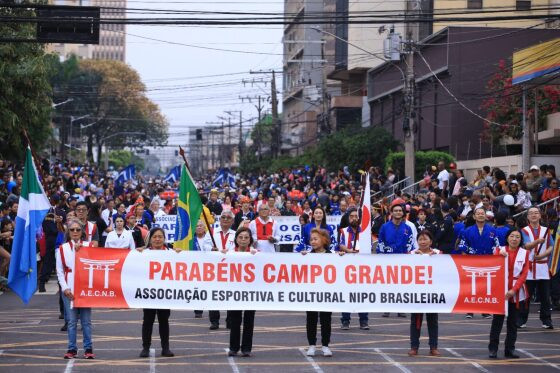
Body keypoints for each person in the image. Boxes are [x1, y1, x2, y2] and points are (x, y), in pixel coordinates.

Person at [55, 219, 95, 359]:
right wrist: (65, 288)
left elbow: (93, 265)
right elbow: (59, 271)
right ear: (68, 232)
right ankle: (72, 348)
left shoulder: (88, 245)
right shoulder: (62, 248)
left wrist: (82, 250)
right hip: (69, 286)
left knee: (86, 321)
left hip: (84, 287)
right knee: (71, 321)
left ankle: (88, 348)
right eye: (72, 230)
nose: (75, 232)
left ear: (82, 231)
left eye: (78, 229)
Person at [488, 228, 530, 359]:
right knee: (497, 322)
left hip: (516, 293)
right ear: (507, 238)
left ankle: (509, 349)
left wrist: (514, 290)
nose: (514, 239)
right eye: (512, 236)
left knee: (513, 323)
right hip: (500, 291)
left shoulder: (525, 253)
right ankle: (493, 349)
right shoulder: (499, 250)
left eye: (517, 237)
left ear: (520, 240)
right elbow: (491, 267)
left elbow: (524, 274)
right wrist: (498, 255)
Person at [302, 228, 344, 357]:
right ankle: (312, 345)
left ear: (324, 240)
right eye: (311, 239)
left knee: (326, 320)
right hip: (311, 293)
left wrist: (342, 257)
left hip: (326, 293)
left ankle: (325, 345)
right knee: (311, 319)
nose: (312, 242)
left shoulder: (332, 255)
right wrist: (301, 257)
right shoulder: (307, 255)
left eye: (316, 239)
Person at [139, 227, 175, 358]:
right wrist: (137, 253)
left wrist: (180, 254)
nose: (158, 239)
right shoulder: (143, 253)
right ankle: (145, 347)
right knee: (147, 320)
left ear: (164, 239)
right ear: (150, 239)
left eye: (160, 237)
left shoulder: (172, 252)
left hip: (165, 293)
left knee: (164, 320)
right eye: (155, 237)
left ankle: (165, 347)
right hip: (149, 292)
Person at [458, 207, 500, 319]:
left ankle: (485, 310)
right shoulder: (467, 231)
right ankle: (469, 310)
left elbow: (497, 247)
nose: (481, 215)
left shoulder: (492, 230)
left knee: (485, 287)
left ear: (486, 216)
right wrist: (467, 256)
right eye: (478, 213)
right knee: (470, 287)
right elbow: (462, 246)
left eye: (482, 213)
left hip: (488, 262)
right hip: (472, 261)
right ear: (474, 216)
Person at [517, 207, 554, 329]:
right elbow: (526, 246)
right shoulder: (524, 231)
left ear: (540, 216)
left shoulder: (546, 230)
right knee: (526, 296)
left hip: (542, 267)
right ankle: (522, 319)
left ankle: (546, 320)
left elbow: (550, 246)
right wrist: (537, 242)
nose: (533, 215)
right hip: (529, 268)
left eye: (536, 213)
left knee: (545, 296)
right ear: (527, 217)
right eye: (531, 213)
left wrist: (542, 255)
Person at [225, 228, 258, 357]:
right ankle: (233, 347)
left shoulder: (256, 254)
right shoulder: (230, 253)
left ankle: (246, 348)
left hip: (252, 292)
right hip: (235, 292)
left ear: (250, 240)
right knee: (235, 320)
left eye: (246, 237)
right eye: (241, 237)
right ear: (236, 239)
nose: (243, 240)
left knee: (249, 320)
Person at [408, 230, 441, 357]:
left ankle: (433, 347)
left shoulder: (438, 253)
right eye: (420, 239)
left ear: (431, 241)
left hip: (433, 293)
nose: (422, 241)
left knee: (433, 321)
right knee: (415, 321)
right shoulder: (411, 254)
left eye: (425, 239)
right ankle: (414, 347)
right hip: (416, 293)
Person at [338, 207, 369, 330]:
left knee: (362, 295)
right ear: (348, 218)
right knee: (347, 295)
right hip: (347, 269)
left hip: (362, 268)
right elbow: (340, 244)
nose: (354, 218)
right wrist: (349, 251)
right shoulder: (343, 231)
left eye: (356, 216)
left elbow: (369, 246)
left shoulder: (365, 232)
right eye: (351, 216)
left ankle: (364, 321)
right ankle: (345, 320)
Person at [209, 210, 236, 329]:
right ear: (219, 220)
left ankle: (230, 320)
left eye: (228, 218)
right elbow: (205, 245)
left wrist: (228, 252)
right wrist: (212, 250)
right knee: (214, 294)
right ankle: (214, 321)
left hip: (230, 269)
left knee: (230, 294)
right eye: (223, 217)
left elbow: (238, 247)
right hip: (214, 269)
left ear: (232, 221)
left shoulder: (236, 234)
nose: (225, 219)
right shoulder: (211, 232)